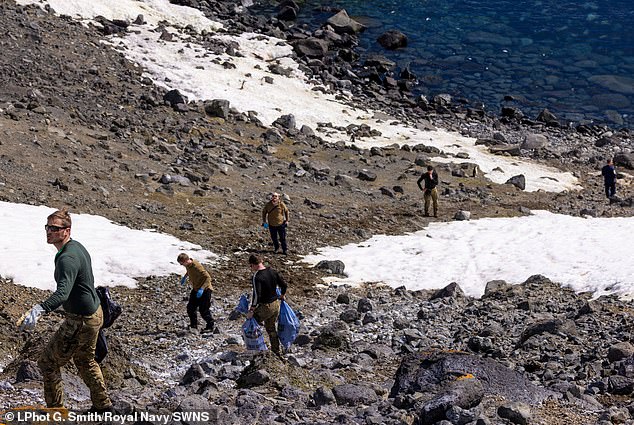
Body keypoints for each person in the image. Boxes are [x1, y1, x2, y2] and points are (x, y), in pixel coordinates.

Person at [19, 208, 113, 412]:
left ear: (66, 231)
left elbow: (62, 293)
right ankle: (103, 406)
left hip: (81, 319)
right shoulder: (76, 247)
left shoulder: (66, 259)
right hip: (93, 313)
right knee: (85, 360)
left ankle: (56, 411)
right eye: (47, 227)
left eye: (54, 228)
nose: (49, 231)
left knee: (48, 362)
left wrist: (39, 309)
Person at [247, 254, 287, 354]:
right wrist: (282, 295)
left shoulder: (257, 276)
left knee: (250, 324)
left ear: (253, 265)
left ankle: (256, 348)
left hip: (266, 307)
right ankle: (276, 351)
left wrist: (251, 310)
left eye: (250, 266)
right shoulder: (272, 271)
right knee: (271, 328)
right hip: (276, 305)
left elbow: (257, 295)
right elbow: (284, 285)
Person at [177, 253, 215, 333]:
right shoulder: (188, 265)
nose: (182, 265)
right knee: (190, 308)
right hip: (196, 289)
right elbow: (189, 271)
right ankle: (193, 325)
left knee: (203, 310)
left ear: (186, 261)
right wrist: (185, 277)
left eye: (182, 263)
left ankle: (210, 326)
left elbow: (208, 277)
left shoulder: (197, 267)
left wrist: (202, 289)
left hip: (205, 290)